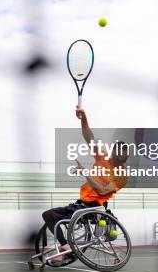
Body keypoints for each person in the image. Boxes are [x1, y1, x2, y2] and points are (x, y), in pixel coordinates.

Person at [42, 107, 129, 261]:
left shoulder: (122, 176)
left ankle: (66, 248)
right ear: (114, 152)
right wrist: (83, 118)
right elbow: (89, 138)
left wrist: (85, 173)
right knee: (48, 215)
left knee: (63, 220)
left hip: (95, 206)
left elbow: (102, 192)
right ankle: (65, 246)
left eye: (125, 152)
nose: (122, 154)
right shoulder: (102, 158)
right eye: (119, 151)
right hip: (81, 203)